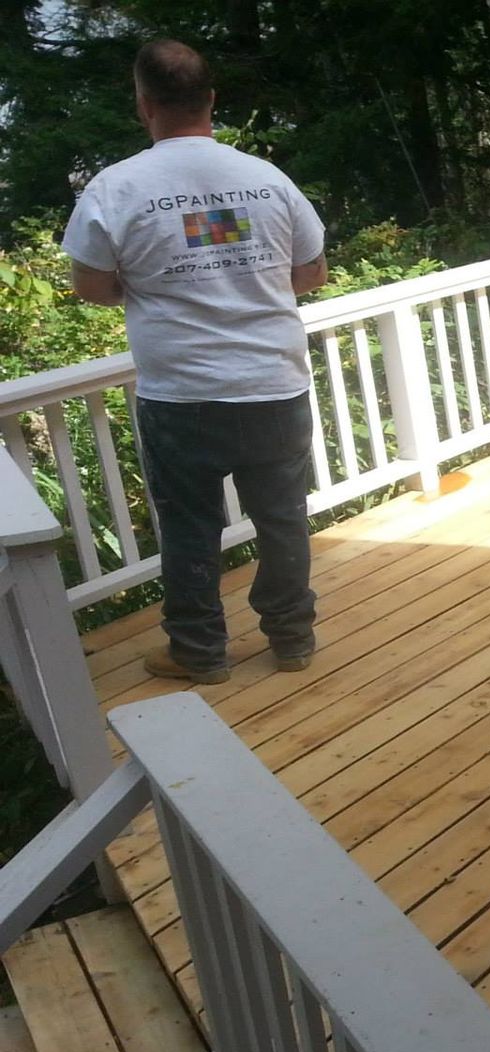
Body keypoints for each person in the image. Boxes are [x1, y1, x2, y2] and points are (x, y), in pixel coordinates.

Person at [62, 38, 329, 685]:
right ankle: (292, 640)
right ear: (210, 100)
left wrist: (162, 288)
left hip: (181, 396)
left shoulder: (116, 187)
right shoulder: (267, 180)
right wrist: (242, 282)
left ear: (144, 104)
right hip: (273, 385)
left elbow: (91, 285)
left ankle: (200, 653)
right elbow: (312, 273)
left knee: (188, 530)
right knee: (283, 522)